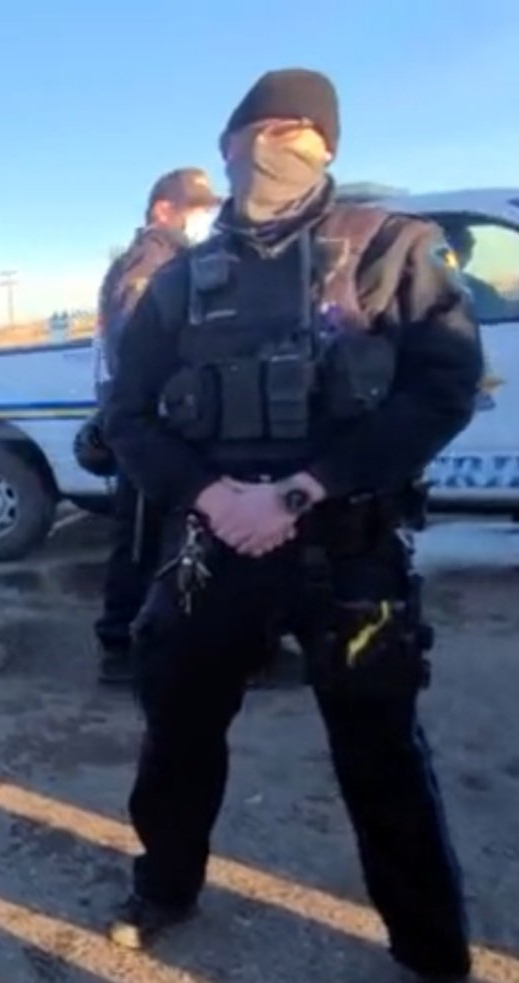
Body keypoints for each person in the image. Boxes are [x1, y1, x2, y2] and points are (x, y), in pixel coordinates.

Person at [102, 68, 482, 981]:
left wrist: (304, 488)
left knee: (379, 752)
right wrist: (210, 498)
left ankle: (429, 948)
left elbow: (444, 387)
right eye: (263, 128)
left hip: (346, 549)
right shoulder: (181, 279)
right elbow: (127, 414)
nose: (280, 145)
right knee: (178, 734)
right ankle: (165, 886)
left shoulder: (393, 247)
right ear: (228, 145)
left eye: (303, 132)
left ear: (331, 150)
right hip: (214, 546)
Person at [89, 169, 222, 686]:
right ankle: (120, 648)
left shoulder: (173, 259)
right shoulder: (152, 262)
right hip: (153, 426)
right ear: (164, 210)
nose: (202, 218)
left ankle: (154, 643)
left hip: (164, 424)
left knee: (164, 538)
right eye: (194, 208)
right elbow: (134, 350)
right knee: (141, 539)